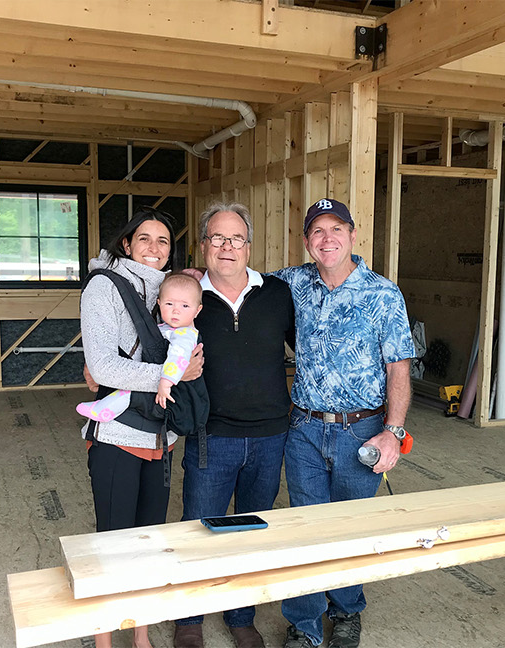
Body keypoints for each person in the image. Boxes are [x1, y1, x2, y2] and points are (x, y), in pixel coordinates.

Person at [275, 198, 416, 648]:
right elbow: (232, 284)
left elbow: (398, 368)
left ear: (353, 235)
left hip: (363, 430)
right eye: (317, 231)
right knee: (307, 528)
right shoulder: (290, 283)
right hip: (305, 430)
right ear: (306, 242)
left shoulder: (382, 293)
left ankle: (347, 609)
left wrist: (393, 432)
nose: (327, 239)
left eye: (337, 229)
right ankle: (305, 623)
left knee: (351, 527)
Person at [172, 203, 294, 648]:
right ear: (204, 246)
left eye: (236, 239)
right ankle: (189, 619)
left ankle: (242, 615)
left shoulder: (277, 294)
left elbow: (310, 350)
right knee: (198, 527)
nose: (227, 247)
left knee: (250, 529)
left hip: (270, 435)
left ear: (249, 246)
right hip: (212, 435)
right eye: (217, 238)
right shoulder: (185, 296)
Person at [78, 207, 196, 648]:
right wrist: (171, 377)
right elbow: (103, 366)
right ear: (126, 244)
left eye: (163, 241)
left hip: (160, 438)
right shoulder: (104, 289)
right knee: (112, 543)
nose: (154, 248)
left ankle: (141, 635)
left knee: (149, 541)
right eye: (144, 239)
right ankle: (104, 640)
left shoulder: (171, 293)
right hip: (117, 439)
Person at [79, 273, 202, 421]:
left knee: (130, 393)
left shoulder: (185, 335)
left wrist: (165, 382)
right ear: (159, 303)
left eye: (185, 306)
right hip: (166, 384)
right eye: (169, 304)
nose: (176, 310)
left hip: (171, 389)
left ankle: (103, 410)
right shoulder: (167, 327)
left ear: (197, 310)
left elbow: (178, 358)